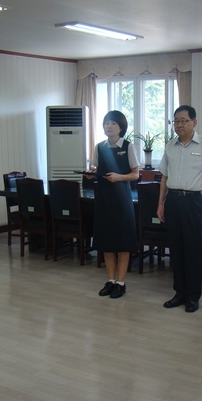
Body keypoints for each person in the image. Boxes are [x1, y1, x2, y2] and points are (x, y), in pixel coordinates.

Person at [157, 105, 202, 313]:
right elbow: (164, 177)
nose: (179, 125)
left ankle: (193, 297)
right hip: (173, 200)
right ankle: (179, 293)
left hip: (193, 201)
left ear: (194, 122)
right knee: (176, 249)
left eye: (183, 121)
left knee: (193, 249)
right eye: (176, 121)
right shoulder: (170, 146)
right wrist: (160, 203)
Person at [87, 110, 140, 299]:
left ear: (121, 127)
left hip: (122, 199)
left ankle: (121, 282)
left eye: (113, 123)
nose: (109, 126)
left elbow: (136, 174)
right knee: (107, 242)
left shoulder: (128, 146)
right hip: (103, 198)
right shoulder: (99, 147)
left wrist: (119, 177)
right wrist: (91, 173)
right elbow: (96, 169)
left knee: (122, 242)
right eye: (106, 123)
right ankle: (110, 280)